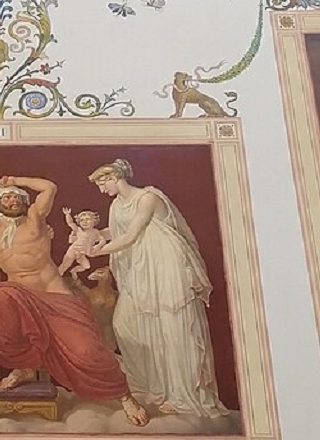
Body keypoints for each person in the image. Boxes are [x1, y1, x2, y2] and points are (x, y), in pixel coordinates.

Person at [0, 175, 148, 426]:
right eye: (6, 197)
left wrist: (14, 179)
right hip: (22, 303)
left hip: (56, 298)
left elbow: (49, 187)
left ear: (25, 201)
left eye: (16, 196)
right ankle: (24, 367)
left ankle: (123, 395)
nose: (12, 200)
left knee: (86, 351)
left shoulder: (35, 218)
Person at [89, 159, 227, 420]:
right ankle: (149, 386)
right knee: (124, 324)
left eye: (102, 183)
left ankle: (182, 394)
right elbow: (117, 230)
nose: (101, 189)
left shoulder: (148, 198)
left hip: (165, 266)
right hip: (141, 267)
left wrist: (97, 251)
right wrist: (94, 234)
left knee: (172, 328)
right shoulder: (116, 204)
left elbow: (131, 235)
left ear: (114, 177)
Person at [57, 207, 108, 278]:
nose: (84, 222)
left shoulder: (95, 232)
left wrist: (98, 246)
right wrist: (67, 214)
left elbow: (103, 240)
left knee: (86, 266)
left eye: (87, 219)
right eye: (81, 220)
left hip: (82, 252)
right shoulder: (78, 230)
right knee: (65, 264)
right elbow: (70, 223)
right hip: (74, 249)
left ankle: (74, 270)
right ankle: (57, 276)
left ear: (94, 220)